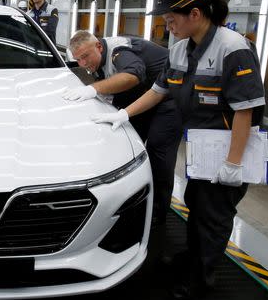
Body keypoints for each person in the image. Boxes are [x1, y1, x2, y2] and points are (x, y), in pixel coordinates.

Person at [90, 0, 265, 300]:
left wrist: (234, 163)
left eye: (170, 19)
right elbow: (159, 90)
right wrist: (124, 114)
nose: (166, 26)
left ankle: (200, 278)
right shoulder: (180, 50)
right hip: (201, 148)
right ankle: (192, 256)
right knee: (196, 203)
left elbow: (245, 110)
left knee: (212, 216)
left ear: (194, 14)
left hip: (229, 149)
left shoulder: (233, 48)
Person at [62, 30, 182, 233]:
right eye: (78, 60)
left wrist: (93, 89)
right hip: (145, 96)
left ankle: (158, 212)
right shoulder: (98, 60)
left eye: (85, 56)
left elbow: (133, 75)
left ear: (99, 46)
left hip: (170, 99)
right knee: (127, 143)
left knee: (158, 150)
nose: (83, 64)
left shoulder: (119, 51)